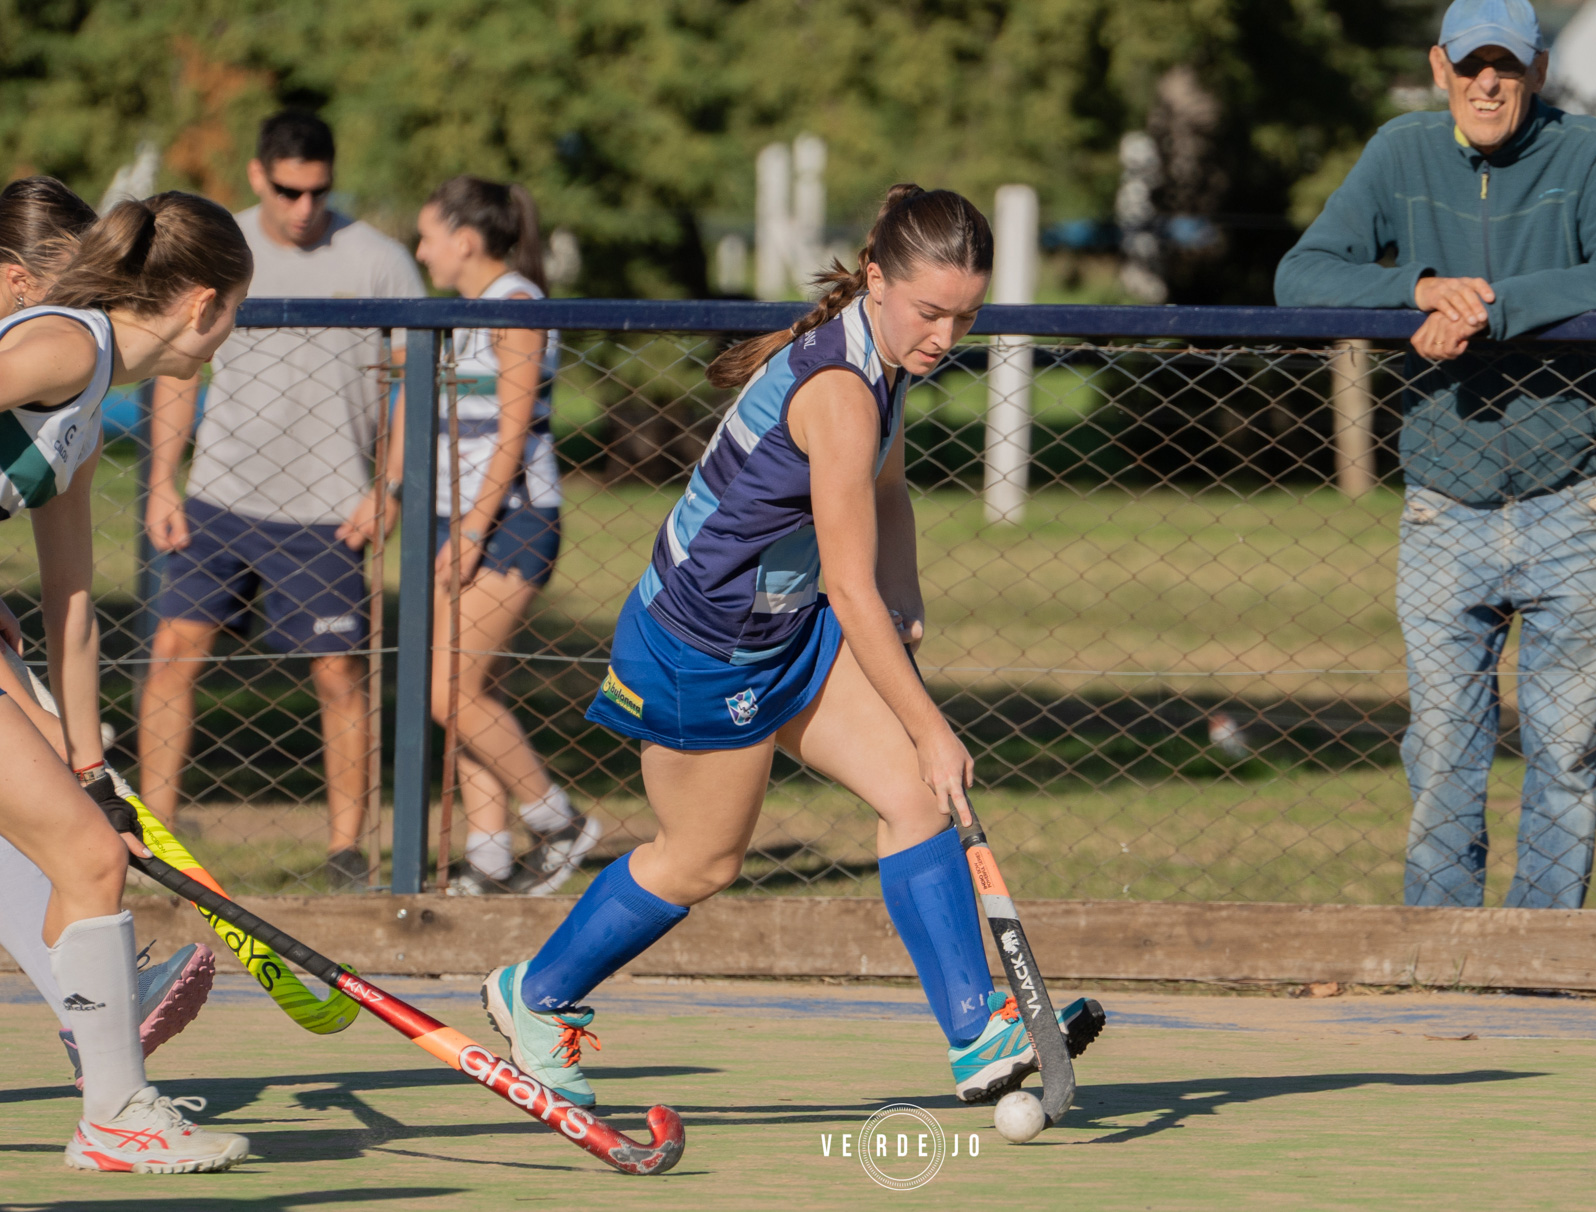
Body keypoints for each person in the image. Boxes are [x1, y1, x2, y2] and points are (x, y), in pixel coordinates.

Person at [475, 185, 1105, 1109]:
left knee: (917, 799)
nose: (943, 337)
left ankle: (978, 1036)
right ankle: (534, 995)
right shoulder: (838, 391)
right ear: (880, 279)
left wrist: (908, 587)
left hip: (787, 627)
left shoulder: (882, 360)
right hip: (701, 647)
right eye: (930, 312)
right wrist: (929, 719)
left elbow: (885, 495)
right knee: (702, 861)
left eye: (965, 318)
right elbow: (847, 589)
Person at [1273, 0, 1596, 908]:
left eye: (1510, 66)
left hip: (1579, 493)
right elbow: (1302, 276)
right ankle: (1440, 958)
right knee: (1444, 745)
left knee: (1566, 751)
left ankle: (1542, 962)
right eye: (1474, 64)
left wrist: (1489, 308)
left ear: (1537, 70)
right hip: (1446, 497)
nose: (1490, 83)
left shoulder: (1588, 149)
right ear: (1441, 66)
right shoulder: (1398, 152)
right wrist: (1418, 294)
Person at [0, 189, 254, 1171]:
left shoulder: (87, 412)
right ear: (201, 304)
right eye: (237, 306)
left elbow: (69, 599)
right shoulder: (62, 347)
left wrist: (87, 751)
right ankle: (113, 1112)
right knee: (88, 860)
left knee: (83, 846)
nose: (233, 328)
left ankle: (114, 1097)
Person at [139, 110, 426, 888]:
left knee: (340, 674)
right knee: (172, 658)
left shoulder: (379, 260)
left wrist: (387, 486)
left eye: (320, 191)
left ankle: (346, 855)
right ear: (260, 174)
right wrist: (164, 478)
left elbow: (411, 386)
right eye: (290, 191)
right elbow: (177, 367)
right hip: (221, 498)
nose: (305, 208)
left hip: (329, 509)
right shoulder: (218, 246)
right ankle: (154, 846)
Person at [348, 176, 600, 895]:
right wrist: (391, 494)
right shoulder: (463, 312)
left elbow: (515, 430)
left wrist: (473, 527)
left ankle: (557, 821)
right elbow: (411, 406)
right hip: (453, 519)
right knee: (467, 687)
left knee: (448, 690)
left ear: (464, 238)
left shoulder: (516, 305)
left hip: (509, 519)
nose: (421, 250)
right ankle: (489, 858)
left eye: (428, 235)